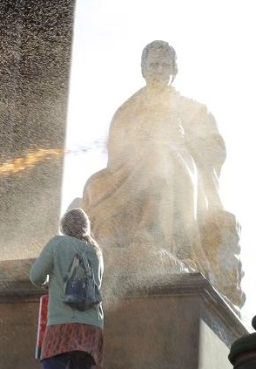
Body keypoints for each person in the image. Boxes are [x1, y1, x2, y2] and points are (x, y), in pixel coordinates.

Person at [82, 40, 226, 276]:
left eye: (164, 66)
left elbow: (215, 150)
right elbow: (115, 150)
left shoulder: (192, 108)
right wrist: (136, 139)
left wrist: (184, 139)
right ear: (143, 69)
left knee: (159, 156)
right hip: (127, 169)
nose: (158, 71)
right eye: (153, 65)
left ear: (174, 71)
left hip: (178, 167)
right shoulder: (128, 109)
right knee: (95, 183)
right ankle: (110, 235)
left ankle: (150, 231)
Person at [30, 208, 104, 369]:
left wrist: (48, 282)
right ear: (86, 227)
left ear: (64, 226)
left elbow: (36, 276)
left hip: (62, 325)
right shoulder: (96, 251)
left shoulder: (57, 244)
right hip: (91, 327)